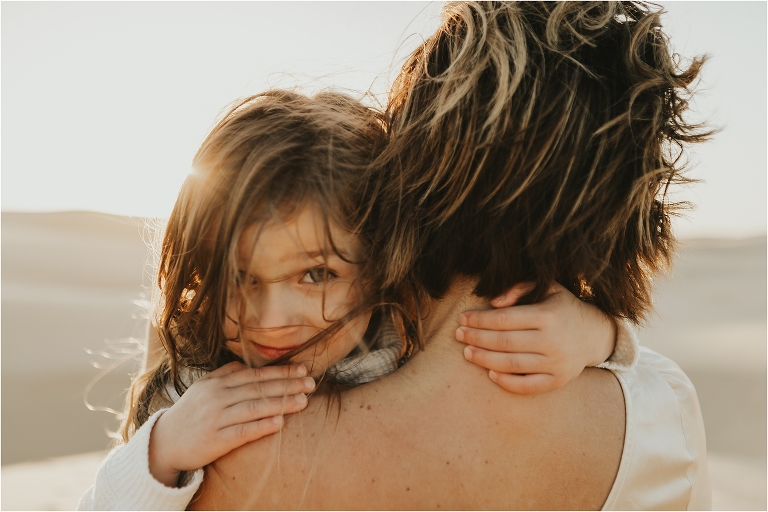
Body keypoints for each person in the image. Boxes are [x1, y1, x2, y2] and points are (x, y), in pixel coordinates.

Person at [193, 2, 711, 509]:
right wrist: (606, 333)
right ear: (623, 216)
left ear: (405, 165)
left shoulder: (231, 453)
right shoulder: (664, 412)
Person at [78, 89, 631, 510]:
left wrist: (596, 333)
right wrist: (162, 451)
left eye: (316, 274)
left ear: (379, 266)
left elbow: (619, 361)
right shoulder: (194, 377)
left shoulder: (405, 333)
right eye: (240, 277)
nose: (269, 321)